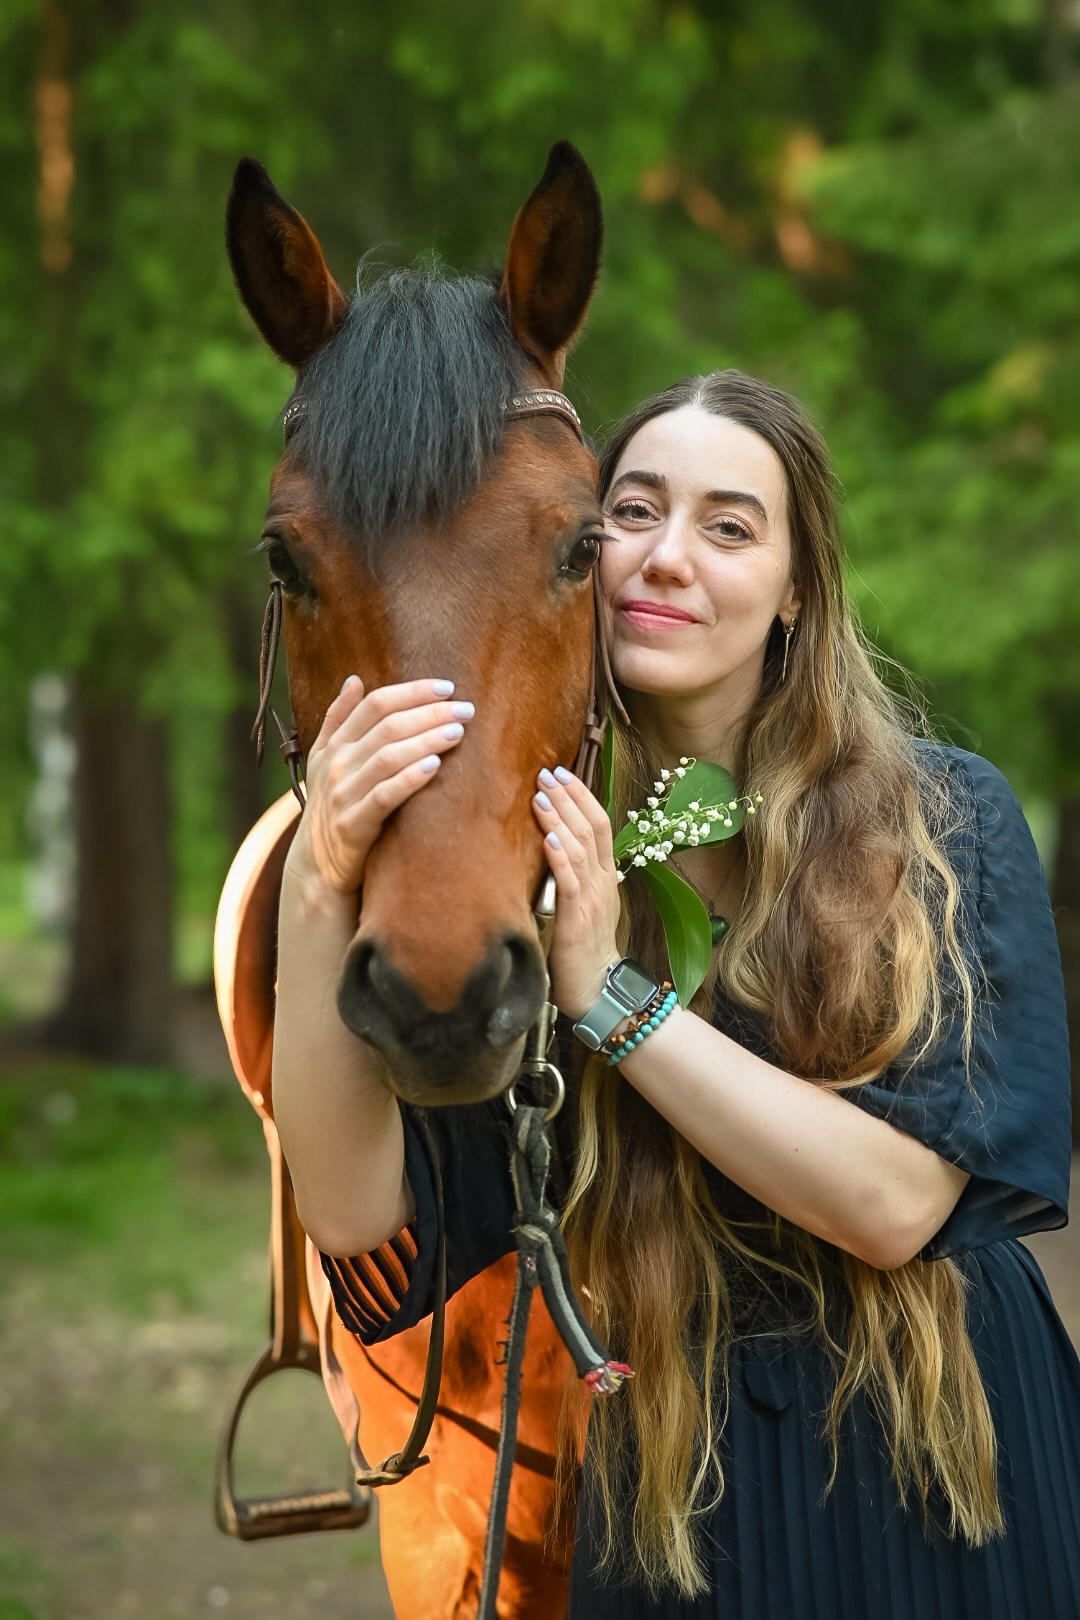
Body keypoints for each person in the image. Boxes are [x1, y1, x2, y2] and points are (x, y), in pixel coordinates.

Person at [272, 369, 1080, 1618]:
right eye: (631, 517)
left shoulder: (945, 819)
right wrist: (320, 887)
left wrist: (613, 999)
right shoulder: (531, 865)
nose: (665, 559)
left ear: (798, 590)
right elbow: (356, 1210)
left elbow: (896, 1204)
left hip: (946, 1461)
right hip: (680, 1500)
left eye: (730, 526)